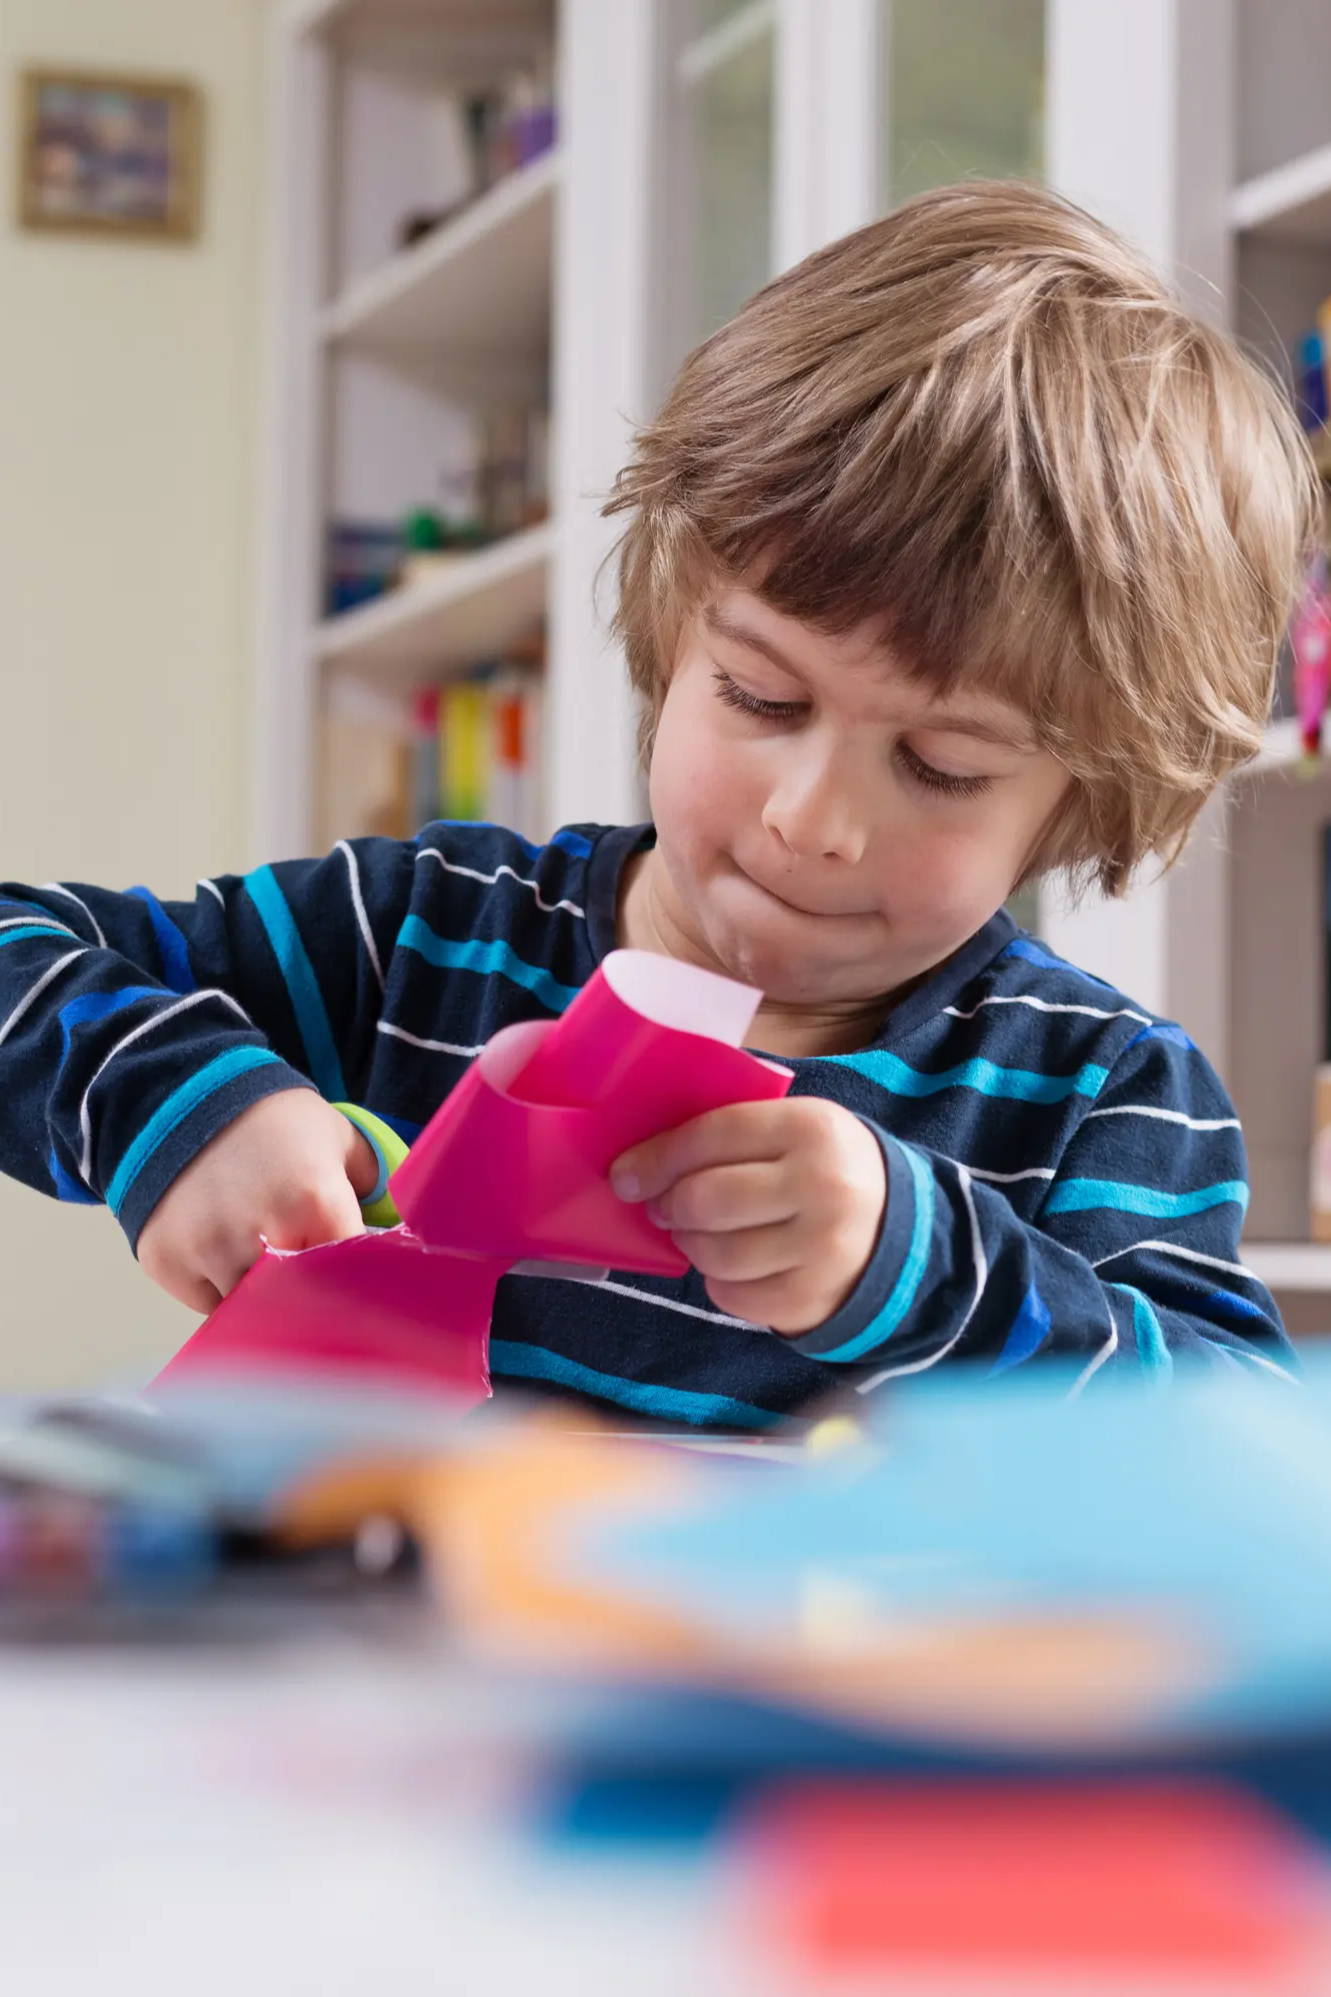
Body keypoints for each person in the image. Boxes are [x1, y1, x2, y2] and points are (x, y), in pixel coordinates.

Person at [0, 182, 1317, 1425]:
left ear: (1085, 793)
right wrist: (169, 1104)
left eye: (941, 766)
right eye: (759, 695)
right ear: (676, 626)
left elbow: (1235, 1454)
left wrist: (919, 1267)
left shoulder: (1099, 1089)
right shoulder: (419, 938)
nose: (812, 818)